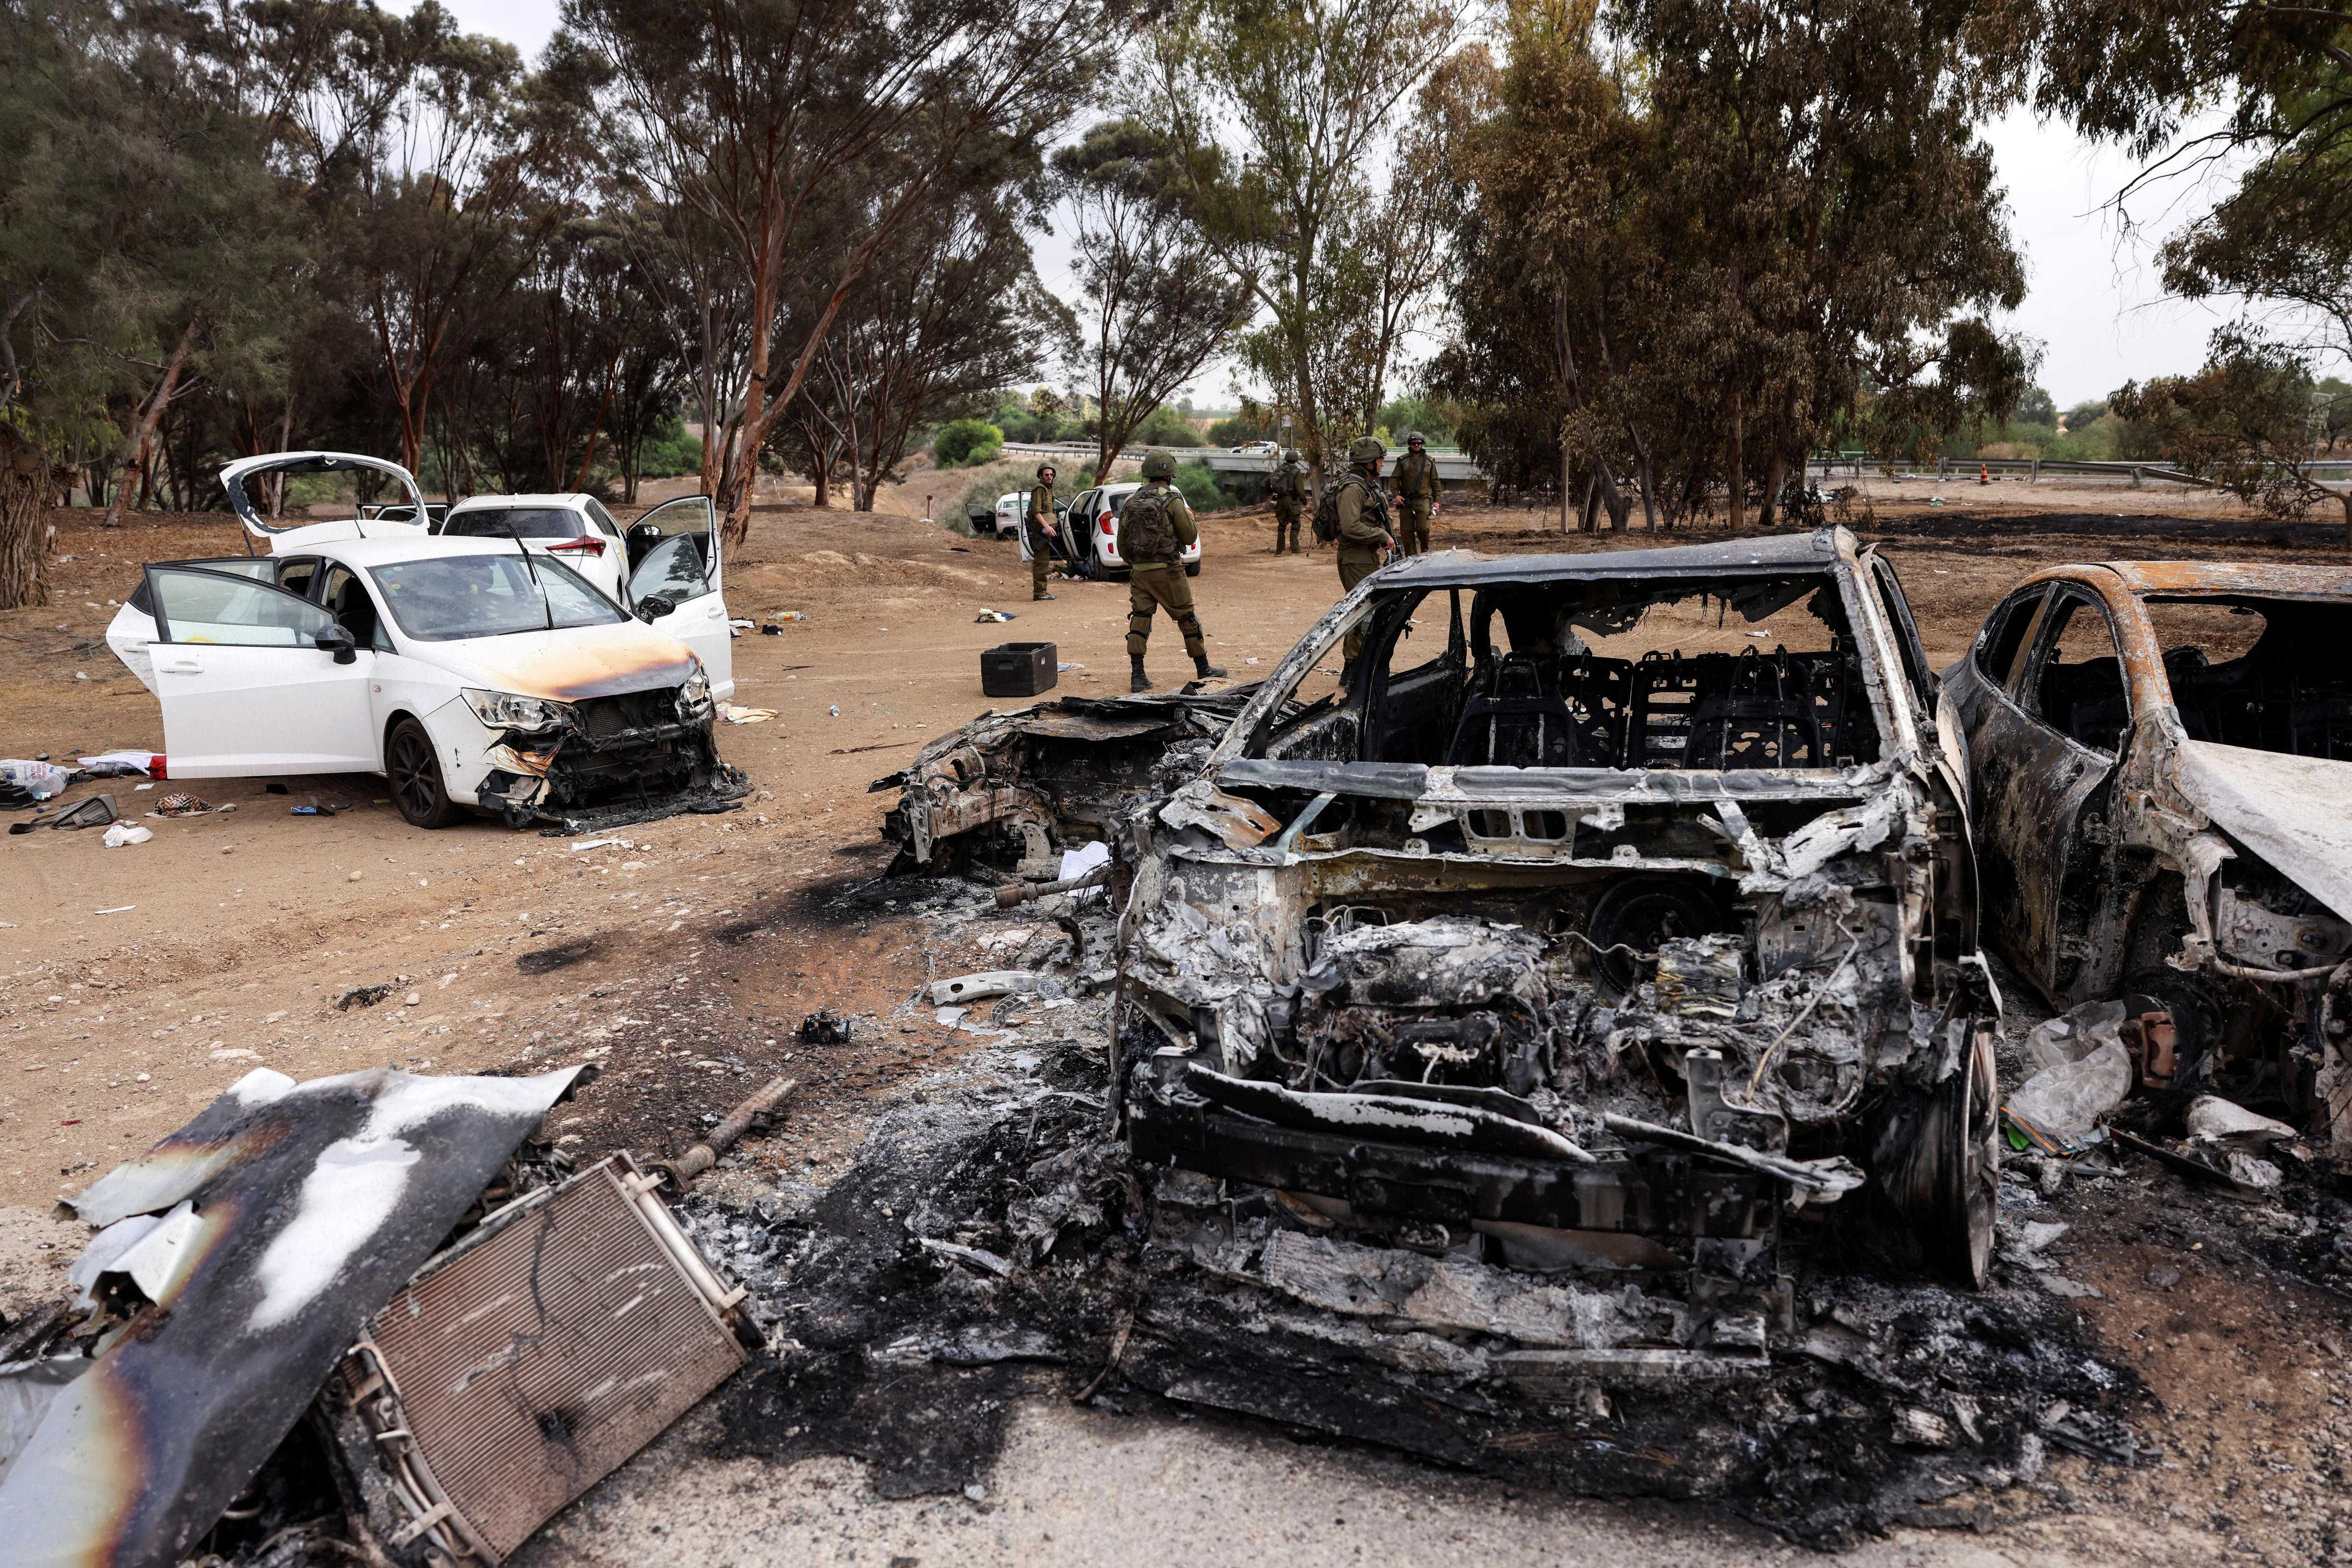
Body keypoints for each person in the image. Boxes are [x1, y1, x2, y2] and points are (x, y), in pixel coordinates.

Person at [1118, 450, 1225, 691]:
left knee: (1140, 619)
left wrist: (1138, 564)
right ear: (1169, 475)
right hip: (1168, 571)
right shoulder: (1173, 500)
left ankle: (1138, 676)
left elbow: (1122, 547)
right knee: (1186, 616)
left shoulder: (1130, 502)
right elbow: (1190, 535)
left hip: (1140, 573)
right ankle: (1204, 669)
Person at [1329, 435, 1396, 671]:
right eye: (1381, 460)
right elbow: (1350, 527)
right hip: (1354, 558)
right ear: (1369, 462)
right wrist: (1381, 535)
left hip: (1365, 556)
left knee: (1364, 610)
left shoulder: (1365, 484)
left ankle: (1355, 667)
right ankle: (1353, 670)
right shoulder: (1352, 488)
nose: (1383, 464)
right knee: (1362, 611)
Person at [1389, 430, 1440, 555]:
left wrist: (1437, 501)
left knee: (1423, 529)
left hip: (1423, 500)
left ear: (1422, 444)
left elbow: (1435, 482)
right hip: (1406, 501)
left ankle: (1425, 554)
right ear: (1410, 445)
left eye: (1419, 443)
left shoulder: (1429, 462)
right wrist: (1396, 495)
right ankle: (1411, 558)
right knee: (1407, 532)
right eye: (1414, 443)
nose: (1416, 446)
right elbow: (1394, 479)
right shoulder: (1403, 461)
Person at [1026, 464, 1059, 601]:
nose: (1050, 477)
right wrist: (1047, 526)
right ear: (1041, 476)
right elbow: (1036, 512)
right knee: (1041, 563)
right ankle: (1039, 593)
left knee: (1044, 562)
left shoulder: (1047, 489)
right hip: (1040, 532)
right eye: (1047, 475)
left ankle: (1042, 592)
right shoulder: (1040, 488)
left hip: (1044, 532)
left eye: (1052, 475)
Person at [1270, 447, 1309, 554]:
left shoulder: (1279, 470)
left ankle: (1279, 550)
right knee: (1296, 523)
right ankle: (1295, 549)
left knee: (1282, 525)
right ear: (1296, 460)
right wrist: (1306, 504)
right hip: (1292, 501)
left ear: (1286, 459)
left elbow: (1266, 482)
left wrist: (1271, 494)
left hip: (1280, 501)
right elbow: (1300, 490)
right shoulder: (1296, 471)